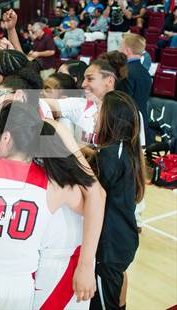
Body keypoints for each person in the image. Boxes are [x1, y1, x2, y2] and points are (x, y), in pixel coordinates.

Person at [0, 102, 105, 309]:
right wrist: (63, 137)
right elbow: (96, 196)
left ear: (5, 137)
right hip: (19, 286)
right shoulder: (55, 186)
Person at [90, 91, 145, 310]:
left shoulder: (110, 156)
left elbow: (91, 197)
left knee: (104, 304)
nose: (94, 117)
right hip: (121, 240)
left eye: (98, 112)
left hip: (109, 245)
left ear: (111, 118)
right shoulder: (123, 150)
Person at [119, 33, 152, 145]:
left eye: (120, 47)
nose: (119, 50)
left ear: (127, 51)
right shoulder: (146, 72)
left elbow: (123, 101)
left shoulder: (125, 72)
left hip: (127, 124)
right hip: (142, 120)